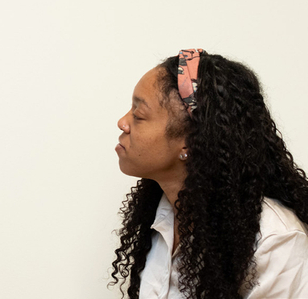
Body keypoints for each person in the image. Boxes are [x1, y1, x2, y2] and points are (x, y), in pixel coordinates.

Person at [110, 49, 308, 298]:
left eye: (139, 115)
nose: (122, 122)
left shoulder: (274, 241)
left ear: (190, 142)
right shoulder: (161, 213)